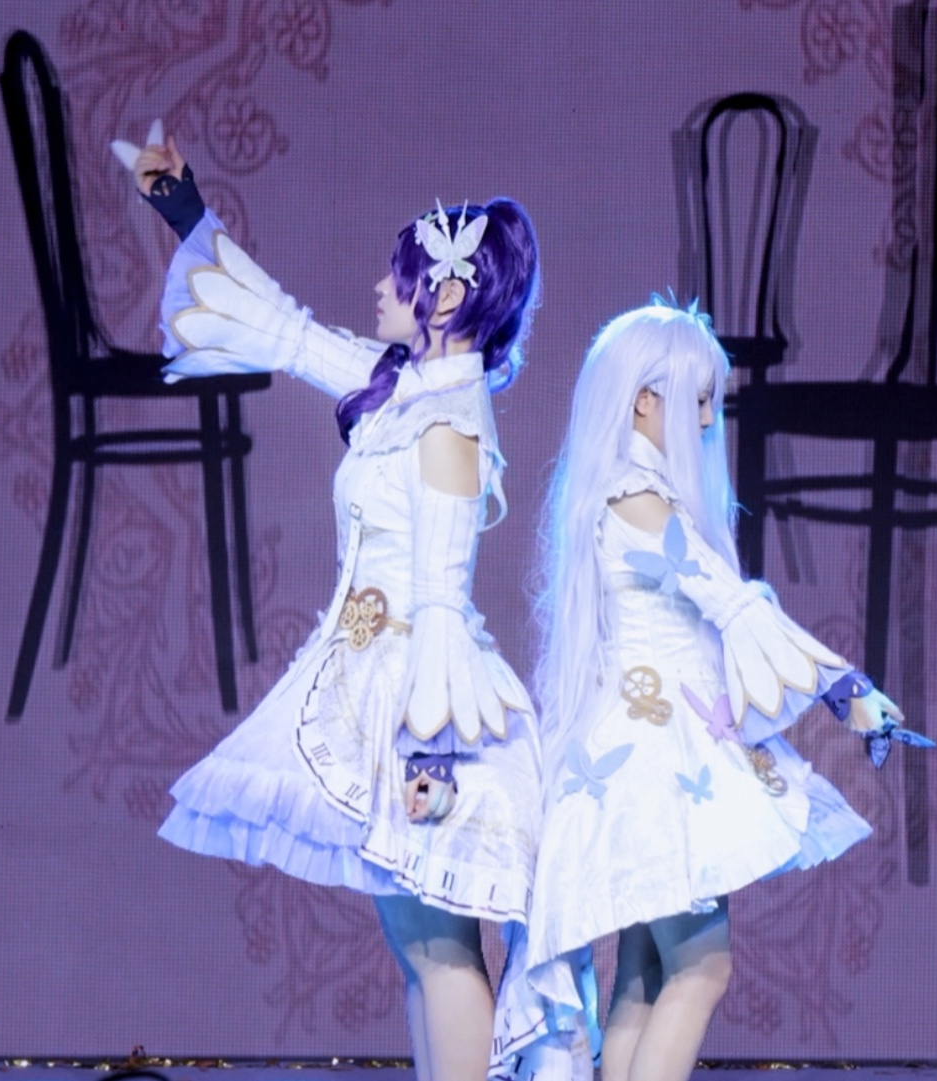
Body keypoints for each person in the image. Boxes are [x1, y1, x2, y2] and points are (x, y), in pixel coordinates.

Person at [114, 127, 545, 1081]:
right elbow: (284, 328)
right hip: (372, 681)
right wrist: (183, 211)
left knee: (439, 945)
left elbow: (440, 600)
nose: (380, 288)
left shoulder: (447, 424)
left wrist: (431, 753)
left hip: (421, 702)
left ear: (445, 296)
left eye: (401, 276)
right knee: (417, 944)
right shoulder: (397, 389)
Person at [492, 301, 927, 1081]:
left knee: (642, 976)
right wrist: (846, 689)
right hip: (654, 762)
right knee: (700, 968)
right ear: (643, 400)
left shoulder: (615, 494)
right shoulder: (639, 500)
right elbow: (735, 607)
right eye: (695, 399)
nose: (705, 419)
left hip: (638, 755)